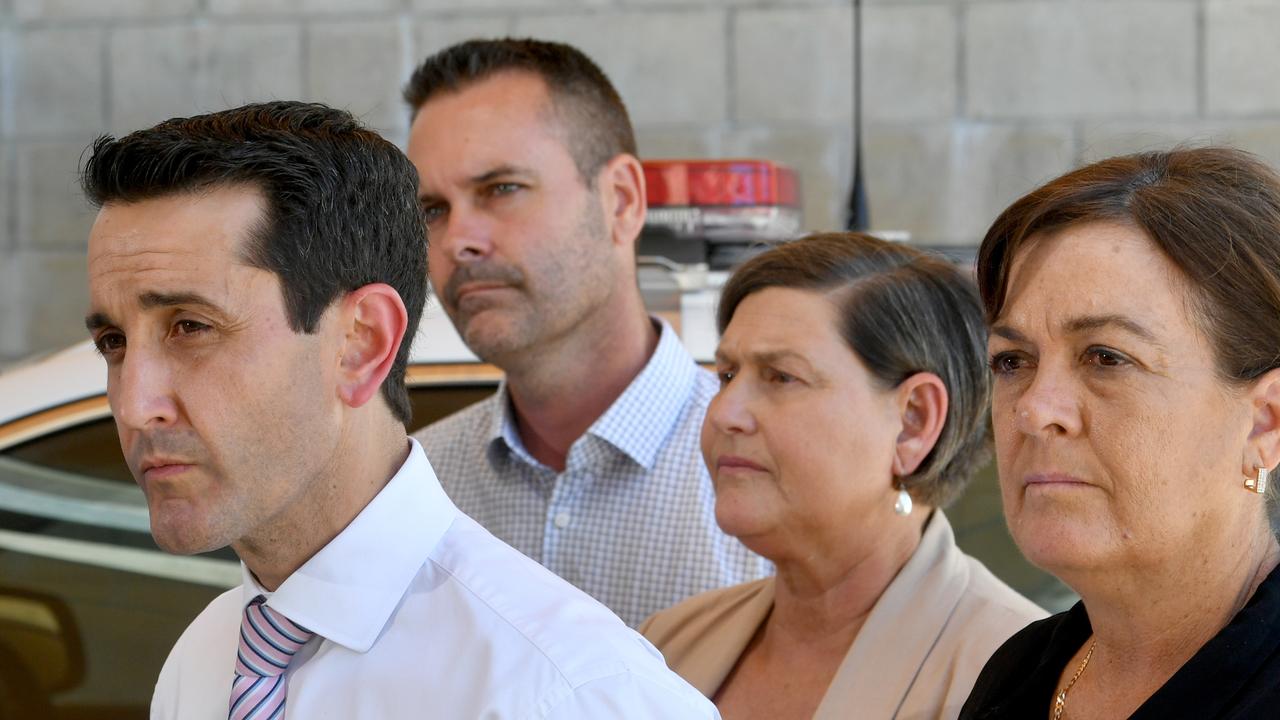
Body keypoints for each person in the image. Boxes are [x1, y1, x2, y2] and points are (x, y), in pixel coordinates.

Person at [81, 101, 718, 719]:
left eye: (190, 327)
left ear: (363, 344)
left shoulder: (573, 694)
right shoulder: (205, 662)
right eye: (113, 343)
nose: (135, 406)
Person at [402, 38, 769, 627]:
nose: (457, 240)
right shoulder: (408, 494)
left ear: (621, 201)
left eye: (501, 189)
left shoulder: (770, 480)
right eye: (432, 210)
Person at [640, 232, 1044, 719]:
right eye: (727, 375)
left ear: (913, 421)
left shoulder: (1021, 677)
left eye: (781, 377)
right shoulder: (668, 642)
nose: (725, 412)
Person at [958, 147, 1280, 720]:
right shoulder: (1021, 669)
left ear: (1266, 421)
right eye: (1012, 360)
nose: (1033, 409)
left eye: (1105, 357)